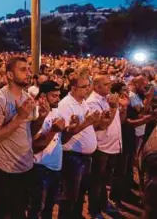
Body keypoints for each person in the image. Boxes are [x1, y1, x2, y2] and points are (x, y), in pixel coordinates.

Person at [0, 57, 45, 219]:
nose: (28, 73)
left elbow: (30, 131)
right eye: (23, 69)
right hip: (5, 170)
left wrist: (41, 117)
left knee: (21, 212)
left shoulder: (27, 97)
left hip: (26, 167)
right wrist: (19, 117)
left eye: (28, 69)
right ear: (10, 75)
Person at [57, 70, 100, 219]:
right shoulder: (66, 105)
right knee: (69, 196)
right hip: (72, 157)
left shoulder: (82, 103)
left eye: (88, 86)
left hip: (84, 157)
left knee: (80, 193)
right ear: (73, 89)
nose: (88, 89)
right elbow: (67, 132)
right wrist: (87, 122)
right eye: (84, 87)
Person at [86, 75, 123, 217]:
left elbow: (118, 121)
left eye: (110, 84)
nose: (110, 86)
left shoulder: (109, 99)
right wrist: (114, 108)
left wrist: (121, 109)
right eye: (106, 84)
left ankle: (103, 204)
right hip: (101, 147)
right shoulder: (92, 102)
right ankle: (94, 210)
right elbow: (101, 125)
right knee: (97, 180)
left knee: (105, 179)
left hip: (112, 146)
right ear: (96, 87)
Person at [29, 80, 65, 219]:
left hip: (55, 167)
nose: (58, 99)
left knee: (49, 208)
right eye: (54, 96)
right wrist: (53, 131)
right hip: (40, 167)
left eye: (58, 95)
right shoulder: (36, 113)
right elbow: (35, 146)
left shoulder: (55, 111)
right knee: (37, 208)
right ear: (43, 96)